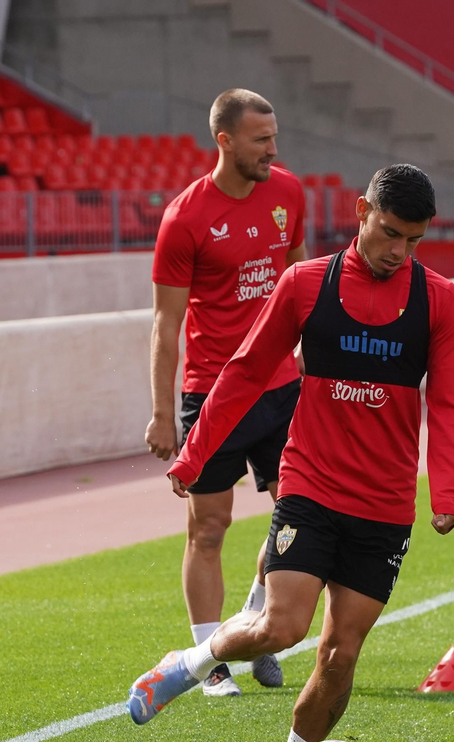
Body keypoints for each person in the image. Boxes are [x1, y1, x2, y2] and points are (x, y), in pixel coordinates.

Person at [127, 164, 454, 742]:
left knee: (341, 655)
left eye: (414, 240)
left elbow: (452, 402)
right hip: (312, 483)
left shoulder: (441, 301)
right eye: (391, 232)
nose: (399, 251)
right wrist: (194, 455)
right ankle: (192, 661)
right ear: (362, 209)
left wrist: (446, 492)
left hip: (386, 503)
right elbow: (245, 371)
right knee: (283, 626)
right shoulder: (305, 284)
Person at [146, 89, 308, 696]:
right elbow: (166, 324)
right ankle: (209, 658)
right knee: (209, 527)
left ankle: (258, 611)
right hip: (212, 394)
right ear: (226, 141)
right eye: (262, 139)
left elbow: (299, 281)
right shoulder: (185, 218)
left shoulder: (287, 192)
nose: (273, 148)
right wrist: (164, 414)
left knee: (297, 513)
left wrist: (313, 368)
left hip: (282, 387)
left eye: (274, 136)